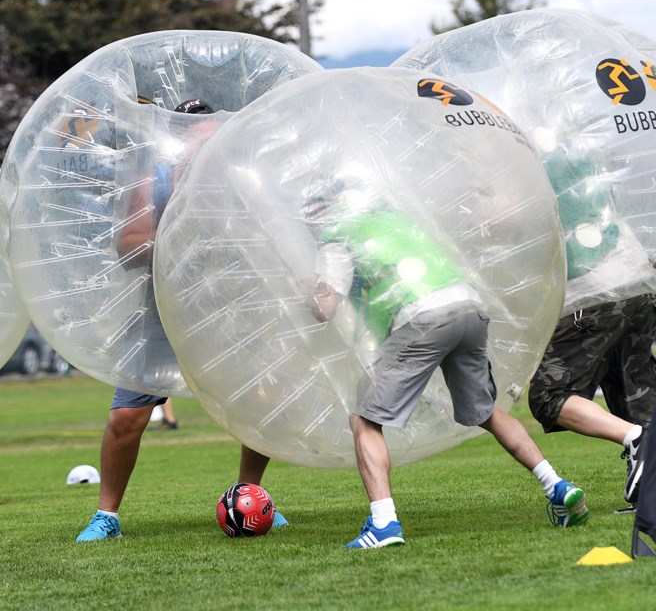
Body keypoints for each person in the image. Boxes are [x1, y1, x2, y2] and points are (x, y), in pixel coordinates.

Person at [302, 180, 589, 548]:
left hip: (420, 318)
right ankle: (557, 486)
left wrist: (306, 292)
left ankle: (384, 524)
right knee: (488, 411)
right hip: (468, 308)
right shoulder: (394, 220)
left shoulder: (336, 239)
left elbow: (325, 310)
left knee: (363, 417)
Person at [76, 99, 287, 541]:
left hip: (229, 310)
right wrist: (179, 239)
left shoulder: (236, 183)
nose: (202, 148)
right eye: (194, 139)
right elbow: (128, 245)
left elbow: (269, 237)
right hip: (164, 313)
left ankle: (251, 490)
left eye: (211, 139)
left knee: (262, 402)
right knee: (126, 418)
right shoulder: (152, 181)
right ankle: (106, 516)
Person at [526, 139, 652, 508]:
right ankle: (653, 489)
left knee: (549, 396)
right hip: (640, 282)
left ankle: (637, 440)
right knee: (635, 388)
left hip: (594, 292)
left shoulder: (536, 158)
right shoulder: (585, 150)